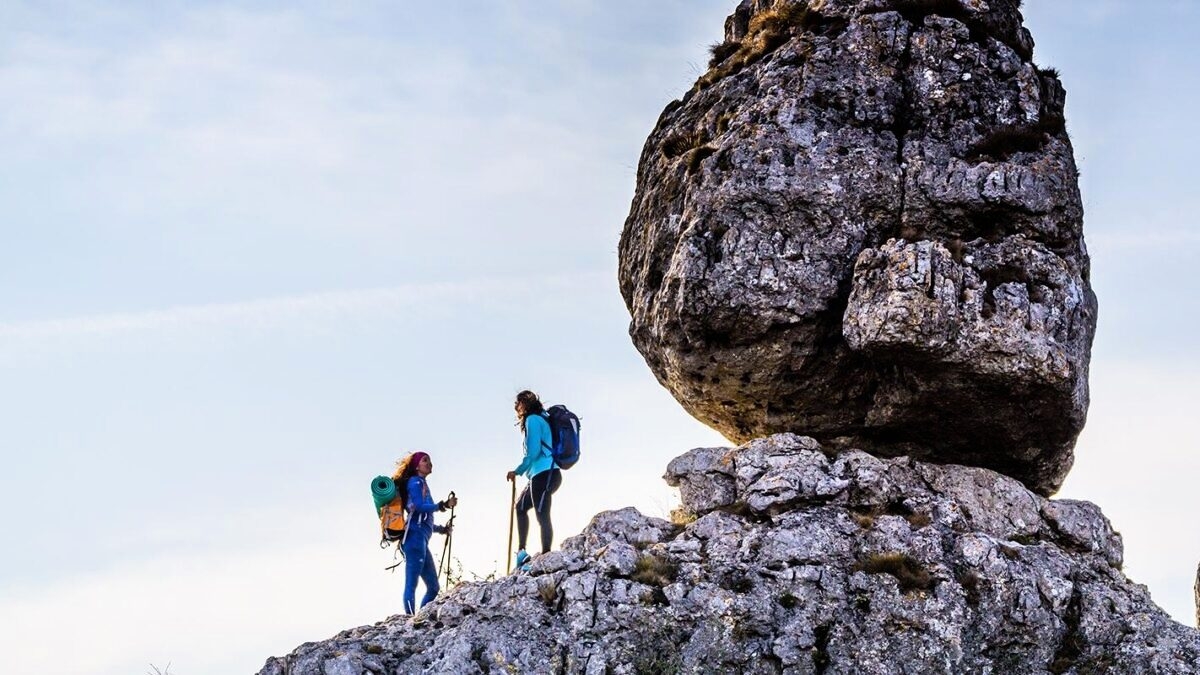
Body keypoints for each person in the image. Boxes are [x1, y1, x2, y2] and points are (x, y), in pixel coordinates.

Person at [505, 390, 562, 570]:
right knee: (520, 507)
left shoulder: (533, 420)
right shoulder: (542, 418)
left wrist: (517, 471)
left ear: (524, 404)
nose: (516, 407)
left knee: (542, 514)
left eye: (518, 403)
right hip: (541, 475)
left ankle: (546, 557)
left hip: (545, 473)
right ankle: (522, 554)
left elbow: (533, 452)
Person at [394, 451, 456, 614]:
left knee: (433, 587)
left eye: (429, 460)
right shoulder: (415, 482)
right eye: (425, 460)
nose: (429, 463)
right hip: (414, 539)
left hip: (420, 539)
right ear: (416, 466)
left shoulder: (422, 484)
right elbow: (419, 507)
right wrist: (443, 505)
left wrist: (442, 529)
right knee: (411, 583)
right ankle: (410, 619)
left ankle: (421, 617)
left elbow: (423, 520)